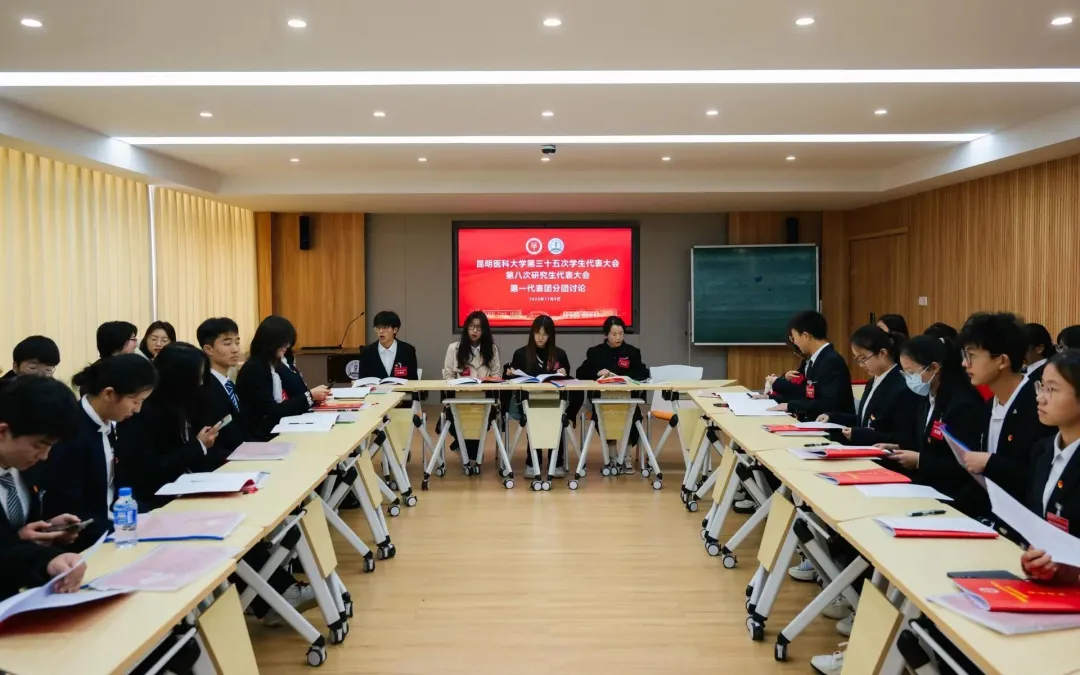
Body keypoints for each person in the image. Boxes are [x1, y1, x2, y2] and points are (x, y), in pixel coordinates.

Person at [40, 354, 158, 550]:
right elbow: (71, 509)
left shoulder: (110, 423)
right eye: (135, 401)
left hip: (116, 526)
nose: (138, 409)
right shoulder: (72, 434)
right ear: (109, 394)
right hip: (92, 540)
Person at [880, 335, 990, 518]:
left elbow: (964, 463)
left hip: (953, 496)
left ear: (934, 368)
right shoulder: (927, 397)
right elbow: (926, 443)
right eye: (905, 373)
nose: (909, 378)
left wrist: (920, 461)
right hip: (926, 489)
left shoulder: (962, 403)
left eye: (911, 372)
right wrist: (898, 447)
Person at [0, 376, 86, 600]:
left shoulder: (25, 467)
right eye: (39, 445)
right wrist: (42, 559)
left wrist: (48, 527)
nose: (44, 456)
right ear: (3, 432)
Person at [957, 312, 1056, 502]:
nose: (964, 363)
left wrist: (991, 463)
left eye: (971, 356)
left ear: (1002, 361)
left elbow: (1037, 479)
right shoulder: (988, 407)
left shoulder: (1038, 406)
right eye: (964, 355)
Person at [113, 343, 220, 509]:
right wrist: (198, 446)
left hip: (187, 487)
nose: (200, 383)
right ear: (180, 379)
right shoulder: (141, 411)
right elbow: (149, 468)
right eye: (197, 378)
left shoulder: (185, 403)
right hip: (154, 499)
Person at [1019, 350, 1080, 586]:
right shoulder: (1042, 450)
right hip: (1051, 586)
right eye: (1041, 387)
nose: (1040, 398)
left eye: (1052, 390)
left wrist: (1070, 568)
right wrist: (1035, 561)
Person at [817, 325, 918, 447]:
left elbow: (900, 437)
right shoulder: (872, 382)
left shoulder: (902, 386)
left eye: (863, 358)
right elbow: (865, 419)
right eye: (858, 359)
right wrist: (832, 417)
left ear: (882, 353)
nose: (861, 364)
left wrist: (859, 434)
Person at [235, 316, 330, 441]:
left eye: (289, 342)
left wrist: (311, 397)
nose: (287, 346)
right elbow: (271, 410)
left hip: (278, 428)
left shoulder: (274, 364)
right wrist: (309, 396)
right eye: (284, 342)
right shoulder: (255, 368)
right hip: (261, 436)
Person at [576, 316, 650, 470]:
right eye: (614, 334)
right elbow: (580, 372)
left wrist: (627, 377)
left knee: (634, 417)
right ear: (606, 335)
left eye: (621, 334)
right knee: (605, 417)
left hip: (627, 400)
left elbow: (643, 373)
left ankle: (626, 456)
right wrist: (597, 372)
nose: (618, 337)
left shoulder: (632, 352)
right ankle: (612, 456)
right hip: (602, 401)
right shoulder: (595, 352)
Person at [506, 315, 573, 478]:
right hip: (528, 401)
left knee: (556, 419)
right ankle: (532, 462)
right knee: (533, 418)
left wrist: (563, 373)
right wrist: (509, 373)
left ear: (551, 335)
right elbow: (511, 379)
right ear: (532, 333)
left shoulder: (559, 354)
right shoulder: (521, 354)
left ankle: (556, 462)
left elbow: (567, 379)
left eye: (545, 334)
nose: (541, 337)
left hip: (554, 401)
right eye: (537, 333)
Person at [441, 311, 502, 469]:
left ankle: (465, 450)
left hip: (484, 402)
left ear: (484, 331)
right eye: (472, 326)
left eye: (479, 328)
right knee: (471, 449)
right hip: (459, 401)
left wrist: (486, 382)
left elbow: (496, 375)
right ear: (466, 328)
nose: (474, 331)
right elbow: (448, 376)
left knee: (479, 426)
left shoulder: (492, 350)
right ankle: (469, 452)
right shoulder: (454, 348)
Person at [769, 311, 854, 420]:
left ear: (806, 336)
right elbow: (804, 393)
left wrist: (791, 405)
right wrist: (770, 398)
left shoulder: (831, 361)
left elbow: (829, 403)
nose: (795, 343)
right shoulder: (814, 359)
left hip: (829, 425)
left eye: (794, 338)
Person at [196, 317, 250, 455]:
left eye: (237, 342)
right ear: (209, 349)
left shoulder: (228, 383)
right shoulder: (204, 387)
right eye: (227, 344)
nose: (235, 349)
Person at [357, 310, 420, 382]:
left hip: (401, 389)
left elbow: (413, 380)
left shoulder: (408, 350)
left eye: (385, 327)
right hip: (375, 389)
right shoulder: (367, 352)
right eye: (378, 327)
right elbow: (362, 381)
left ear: (395, 330)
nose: (381, 331)